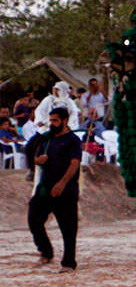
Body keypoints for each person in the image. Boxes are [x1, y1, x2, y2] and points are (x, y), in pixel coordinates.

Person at [26, 108, 82, 272]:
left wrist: (62, 183)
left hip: (66, 189)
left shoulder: (72, 140)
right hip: (46, 188)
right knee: (34, 219)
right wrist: (38, 160)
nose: (52, 124)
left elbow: (74, 163)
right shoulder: (47, 139)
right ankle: (46, 251)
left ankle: (68, 262)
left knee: (68, 227)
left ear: (64, 121)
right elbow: (36, 158)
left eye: (55, 120)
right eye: (50, 120)